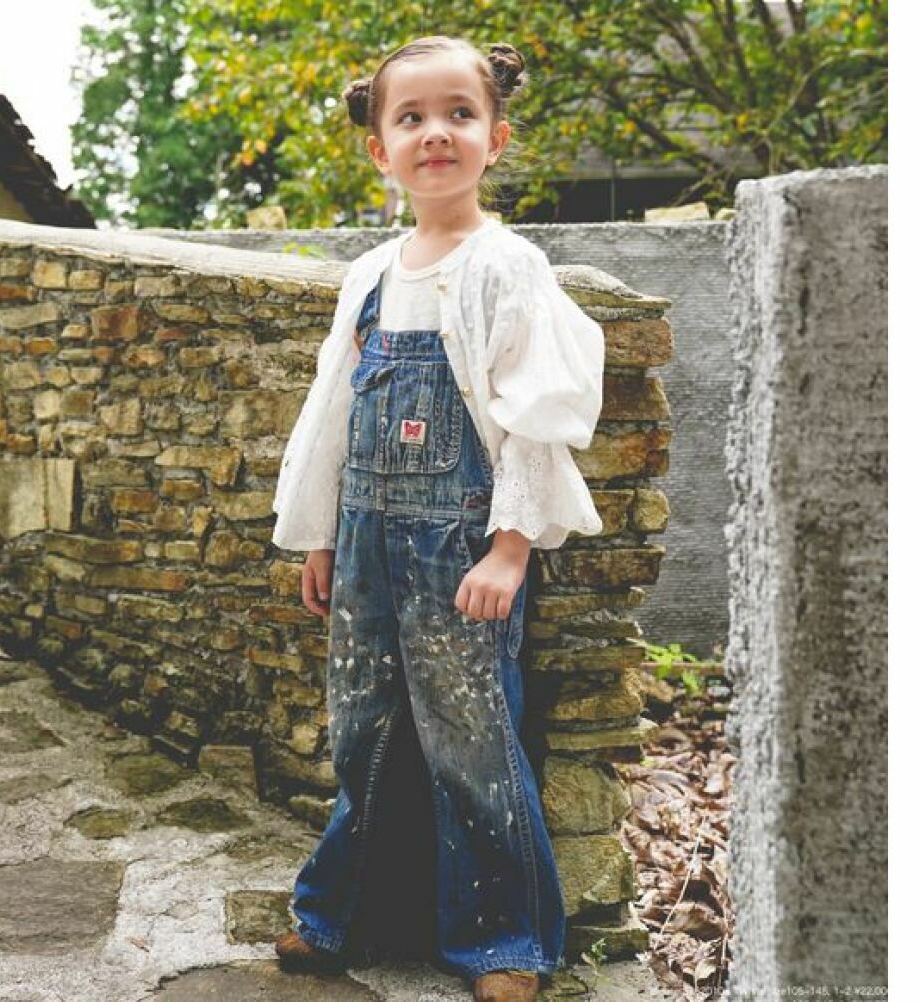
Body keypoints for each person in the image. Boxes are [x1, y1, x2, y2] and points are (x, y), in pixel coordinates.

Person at [270, 35, 605, 1002]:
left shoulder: (506, 266)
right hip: (366, 543)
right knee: (363, 730)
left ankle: (504, 940)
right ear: (380, 149)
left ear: (496, 138)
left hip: (460, 549)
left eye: (460, 113)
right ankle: (346, 915)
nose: (436, 134)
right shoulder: (371, 275)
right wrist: (321, 534)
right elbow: (332, 410)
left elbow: (534, 417)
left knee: (472, 738)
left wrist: (510, 549)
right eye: (410, 118)